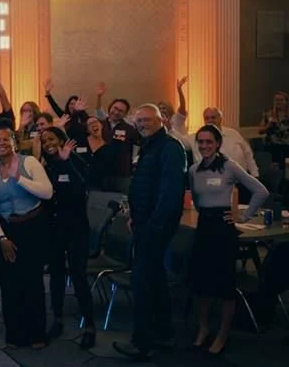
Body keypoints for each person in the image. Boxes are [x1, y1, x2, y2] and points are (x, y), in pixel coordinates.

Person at [113, 104, 187, 361]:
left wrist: (153, 225)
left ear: (161, 120)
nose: (142, 124)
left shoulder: (170, 148)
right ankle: (163, 335)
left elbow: (170, 192)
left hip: (156, 227)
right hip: (145, 223)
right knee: (154, 281)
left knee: (143, 283)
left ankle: (142, 341)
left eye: (147, 120)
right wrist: (136, 215)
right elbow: (144, 187)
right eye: (139, 121)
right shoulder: (150, 147)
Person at [188, 125, 269, 355]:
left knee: (225, 284)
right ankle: (204, 328)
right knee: (200, 282)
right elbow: (195, 197)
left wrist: (243, 215)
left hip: (224, 230)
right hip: (203, 227)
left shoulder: (228, 166)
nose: (204, 146)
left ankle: (223, 334)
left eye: (209, 142)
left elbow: (261, 191)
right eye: (201, 142)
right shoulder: (193, 170)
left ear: (217, 143)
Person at [0, 121, 53, 349]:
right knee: (10, 283)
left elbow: (47, 192)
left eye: (6, 139)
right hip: (7, 231)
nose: (2, 143)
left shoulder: (29, 162)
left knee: (32, 281)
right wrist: (0, 237)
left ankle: (37, 334)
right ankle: (15, 333)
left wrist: (18, 178)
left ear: (14, 141)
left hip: (33, 226)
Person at [38, 126, 96, 349]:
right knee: (56, 276)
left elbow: (80, 188)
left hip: (76, 230)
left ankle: (89, 325)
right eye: (44, 141)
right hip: (54, 230)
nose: (47, 143)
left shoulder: (74, 161)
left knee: (79, 277)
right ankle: (58, 318)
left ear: (62, 140)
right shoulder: (45, 166)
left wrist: (65, 161)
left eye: (51, 139)